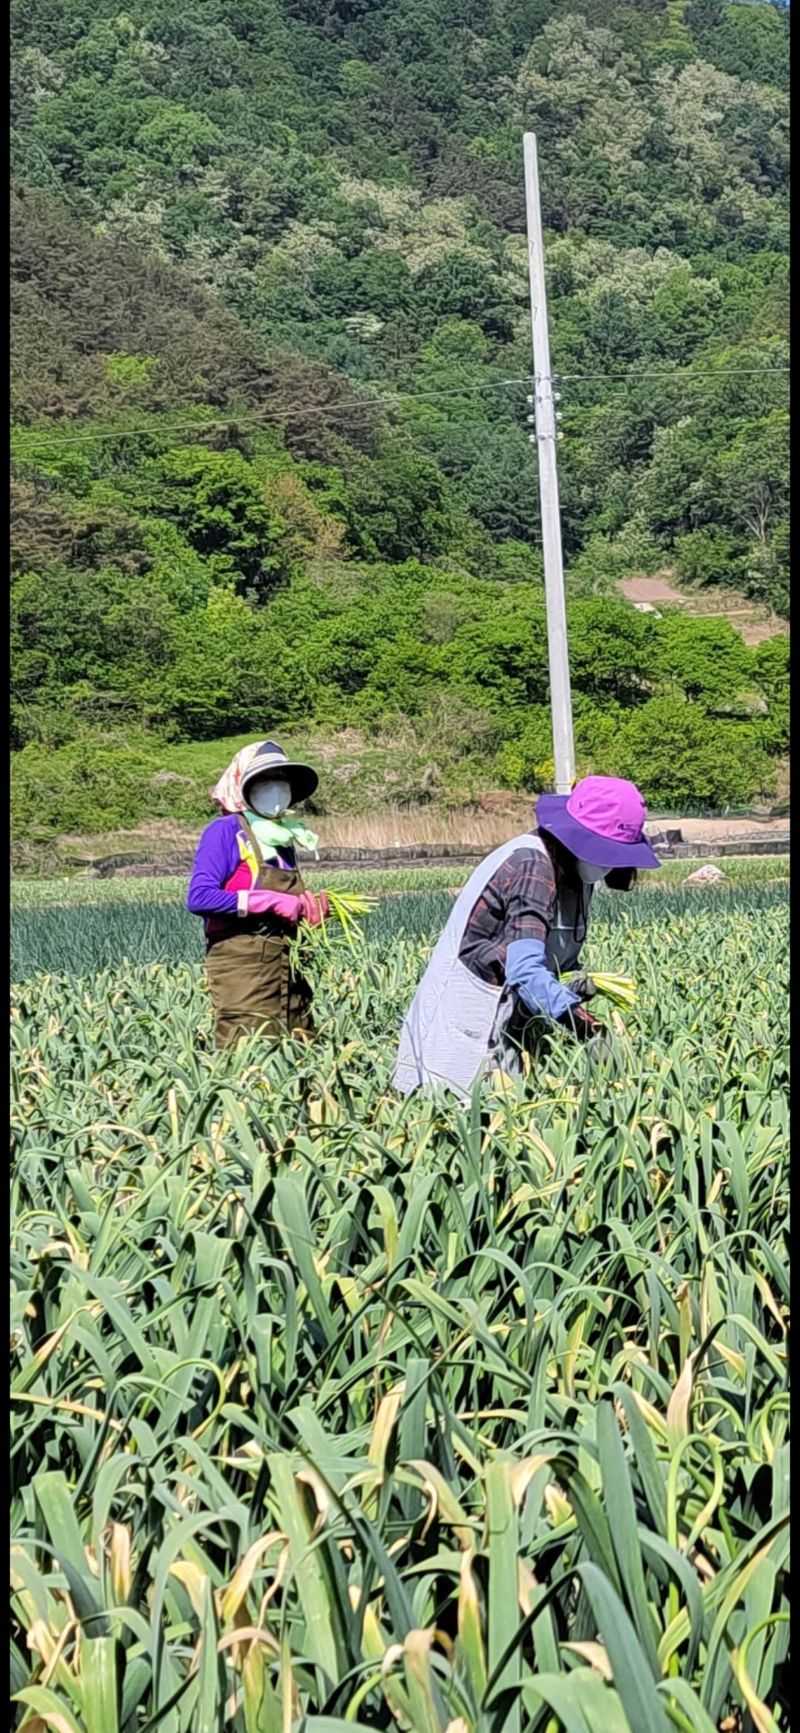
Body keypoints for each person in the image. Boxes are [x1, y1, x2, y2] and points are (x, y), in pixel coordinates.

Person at [393, 775, 660, 1098]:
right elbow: (525, 969)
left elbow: (552, 960)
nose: (607, 865)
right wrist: (582, 1023)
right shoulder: (531, 864)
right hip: (470, 1015)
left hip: (511, 1020)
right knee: (462, 1121)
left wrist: (579, 980)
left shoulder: (576, 875)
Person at [186, 740, 330, 1049]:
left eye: (281, 780)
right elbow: (199, 897)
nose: (275, 788)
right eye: (265, 780)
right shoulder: (225, 831)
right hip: (244, 969)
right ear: (243, 787)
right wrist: (264, 901)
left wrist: (308, 912)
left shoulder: (282, 838)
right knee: (251, 1059)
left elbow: (287, 905)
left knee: (301, 1054)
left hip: (289, 965)